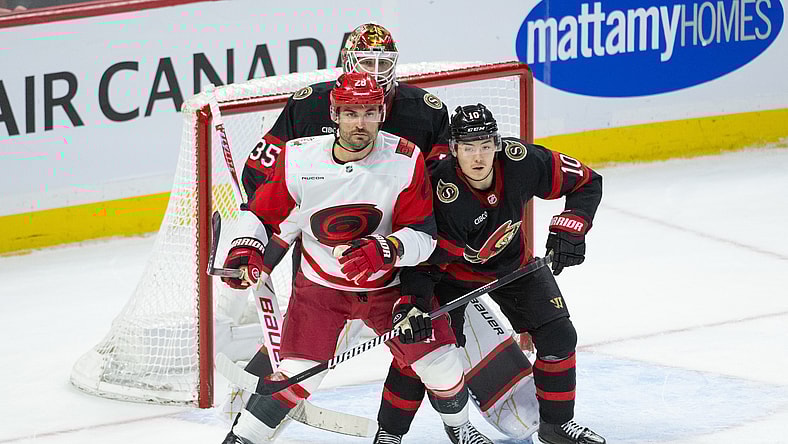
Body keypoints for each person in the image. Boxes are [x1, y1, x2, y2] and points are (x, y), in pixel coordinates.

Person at [219, 72, 493, 444]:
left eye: (368, 112)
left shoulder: (405, 158)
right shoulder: (298, 158)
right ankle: (242, 439)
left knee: (443, 366)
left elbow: (425, 237)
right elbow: (262, 214)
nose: (359, 123)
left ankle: (459, 428)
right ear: (334, 113)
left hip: (390, 288)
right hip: (322, 290)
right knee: (299, 373)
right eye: (350, 113)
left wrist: (388, 249)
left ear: (382, 112)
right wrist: (245, 250)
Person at [402, 103, 606, 444]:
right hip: (449, 276)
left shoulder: (521, 160)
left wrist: (571, 227)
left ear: (497, 143)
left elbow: (586, 181)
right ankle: (457, 428)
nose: (478, 157)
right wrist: (413, 302)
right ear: (453, 150)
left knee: (559, 336)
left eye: (485, 145)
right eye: (468, 147)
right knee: (437, 358)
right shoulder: (434, 185)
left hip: (514, 266)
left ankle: (556, 426)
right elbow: (420, 252)